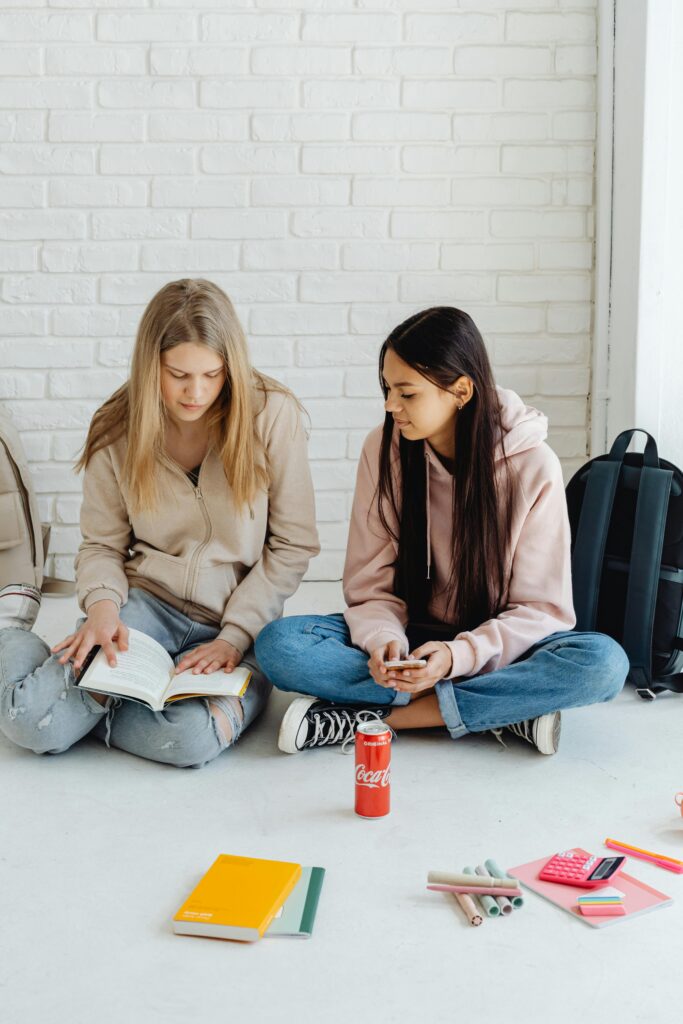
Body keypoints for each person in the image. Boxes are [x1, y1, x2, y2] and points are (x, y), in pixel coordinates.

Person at [256, 306, 628, 756]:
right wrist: (384, 644)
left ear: (461, 391)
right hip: (412, 638)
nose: (392, 406)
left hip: (496, 647)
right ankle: (506, 711)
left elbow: (540, 610)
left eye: (407, 393)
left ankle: (378, 720)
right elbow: (369, 586)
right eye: (388, 389)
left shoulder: (534, 466)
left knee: (602, 664)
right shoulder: (384, 449)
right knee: (281, 645)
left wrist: (457, 657)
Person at [0, 279, 319, 767]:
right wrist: (103, 609)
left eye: (213, 374)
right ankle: (11, 640)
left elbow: (292, 545)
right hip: (142, 610)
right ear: (151, 366)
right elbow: (102, 546)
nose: (197, 392)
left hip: (237, 618)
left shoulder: (271, 415)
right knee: (32, 724)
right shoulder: (116, 427)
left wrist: (235, 635)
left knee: (190, 740)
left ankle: (91, 708)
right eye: (178, 375)